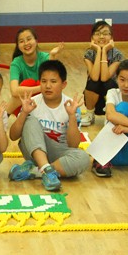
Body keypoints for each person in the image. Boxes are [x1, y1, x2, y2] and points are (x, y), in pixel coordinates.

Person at [7, 59, 89, 192]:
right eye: (44, 81)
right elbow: (13, 136)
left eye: (53, 81)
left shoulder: (71, 105)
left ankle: (37, 171)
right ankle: (47, 170)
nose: (48, 86)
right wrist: (24, 113)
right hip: (34, 151)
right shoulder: (32, 102)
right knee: (30, 120)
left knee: (84, 158)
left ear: (64, 84)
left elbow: (73, 145)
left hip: (59, 153)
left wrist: (72, 116)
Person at [6, 27, 64, 114]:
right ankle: (4, 117)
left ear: (36, 41)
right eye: (21, 41)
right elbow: (14, 91)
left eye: (29, 39)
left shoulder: (45, 57)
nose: (26, 43)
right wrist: (40, 88)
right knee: (28, 84)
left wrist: (52, 57)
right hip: (24, 103)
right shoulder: (16, 63)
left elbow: (53, 83)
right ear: (18, 46)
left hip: (45, 99)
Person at [81, 20, 123, 123]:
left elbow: (105, 77)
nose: (101, 37)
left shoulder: (117, 55)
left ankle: (110, 115)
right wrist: (99, 51)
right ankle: (90, 114)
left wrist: (104, 51)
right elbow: (95, 77)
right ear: (92, 38)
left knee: (108, 83)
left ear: (111, 37)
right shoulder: (89, 54)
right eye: (97, 34)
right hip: (93, 99)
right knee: (93, 83)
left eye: (105, 33)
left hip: (112, 98)